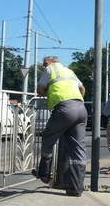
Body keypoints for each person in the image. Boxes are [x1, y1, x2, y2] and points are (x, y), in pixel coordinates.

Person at [33, 56, 87, 197]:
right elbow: (82, 88)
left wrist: (49, 95)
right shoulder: (69, 71)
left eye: (45, 64)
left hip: (64, 109)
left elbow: (39, 89)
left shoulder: (50, 69)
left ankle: (44, 173)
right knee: (78, 149)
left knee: (47, 137)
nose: (43, 67)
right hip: (81, 109)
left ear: (52, 62)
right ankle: (76, 188)